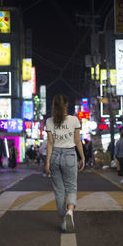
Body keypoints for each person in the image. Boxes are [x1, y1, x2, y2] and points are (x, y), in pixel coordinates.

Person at [45, 94, 85, 233]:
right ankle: (70, 212)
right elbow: (78, 141)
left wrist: (47, 162)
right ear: (66, 105)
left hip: (55, 155)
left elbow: (50, 143)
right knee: (71, 187)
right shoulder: (74, 120)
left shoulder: (49, 121)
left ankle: (63, 218)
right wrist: (83, 158)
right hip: (70, 155)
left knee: (59, 190)